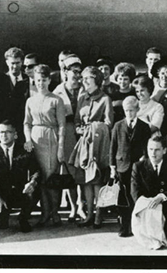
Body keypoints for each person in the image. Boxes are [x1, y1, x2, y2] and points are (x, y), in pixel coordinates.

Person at [23, 64, 67, 227]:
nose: (41, 83)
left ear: (49, 80)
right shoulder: (30, 100)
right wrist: (28, 139)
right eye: (38, 80)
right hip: (35, 139)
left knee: (51, 178)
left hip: (51, 139)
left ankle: (55, 212)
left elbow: (62, 125)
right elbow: (26, 123)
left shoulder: (56, 99)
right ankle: (45, 212)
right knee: (39, 177)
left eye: (44, 80)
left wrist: (61, 147)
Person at [70, 66, 114, 228]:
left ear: (97, 80)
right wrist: (80, 129)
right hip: (84, 144)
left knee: (96, 181)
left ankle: (98, 215)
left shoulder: (105, 99)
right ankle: (89, 214)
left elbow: (109, 124)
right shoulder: (82, 98)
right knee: (85, 181)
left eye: (88, 78)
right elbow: (76, 121)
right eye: (83, 78)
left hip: (98, 144)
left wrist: (94, 127)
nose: (84, 81)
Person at [0, 120, 42, 232]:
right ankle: (1, 215)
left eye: (8, 132)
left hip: (19, 191)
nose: (4, 135)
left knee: (36, 189)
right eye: (1, 132)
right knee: (2, 225)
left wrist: (32, 182)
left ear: (15, 135)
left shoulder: (24, 150)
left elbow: (36, 170)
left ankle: (23, 218)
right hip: (0, 194)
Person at [51, 55, 87, 222]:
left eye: (79, 71)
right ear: (65, 72)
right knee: (69, 170)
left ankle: (82, 205)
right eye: (74, 71)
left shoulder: (86, 89)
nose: (77, 75)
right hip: (66, 133)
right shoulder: (57, 91)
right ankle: (73, 207)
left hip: (83, 133)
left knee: (83, 169)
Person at [110, 96, 152, 237]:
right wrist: (112, 166)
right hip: (122, 165)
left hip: (137, 167)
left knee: (135, 195)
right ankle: (124, 226)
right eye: (126, 111)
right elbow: (113, 146)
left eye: (132, 110)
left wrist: (144, 158)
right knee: (123, 197)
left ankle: (137, 227)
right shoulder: (118, 125)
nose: (129, 113)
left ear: (137, 110)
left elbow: (146, 147)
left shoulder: (144, 126)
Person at [130, 136, 167, 250]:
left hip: (165, 205)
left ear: (164, 150)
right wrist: (147, 202)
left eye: (157, 149)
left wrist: (161, 197)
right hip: (145, 206)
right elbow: (135, 190)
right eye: (150, 149)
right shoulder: (138, 166)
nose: (153, 153)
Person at [5, 47, 30, 146]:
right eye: (12, 63)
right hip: (7, 128)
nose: (15, 66)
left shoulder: (29, 80)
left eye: (17, 63)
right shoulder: (0, 80)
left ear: (22, 62)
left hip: (24, 127)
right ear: (7, 62)